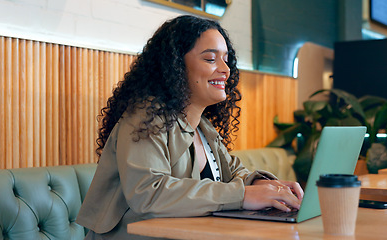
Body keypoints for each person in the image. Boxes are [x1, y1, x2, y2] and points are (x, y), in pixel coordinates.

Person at [76, 15, 303, 239]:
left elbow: (231, 172)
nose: (225, 69)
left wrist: (263, 185)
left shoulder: (202, 127)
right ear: (175, 65)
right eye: (210, 59)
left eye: (226, 59)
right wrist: (243, 195)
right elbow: (149, 193)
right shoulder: (145, 117)